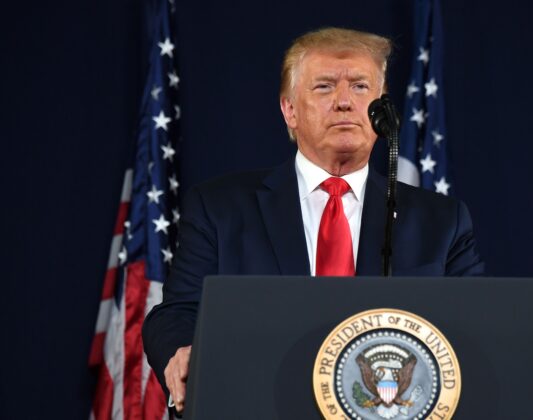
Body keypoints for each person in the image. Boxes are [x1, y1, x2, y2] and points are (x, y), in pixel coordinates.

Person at [142, 27, 485, 413]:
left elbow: (472, 330)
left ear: (382, 107)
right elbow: (177, 313)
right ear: (289, 110)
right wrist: (183, 352)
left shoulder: (441, 221)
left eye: (359, 87)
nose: (343, 102)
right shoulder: (220, 208)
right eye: (324, 87)